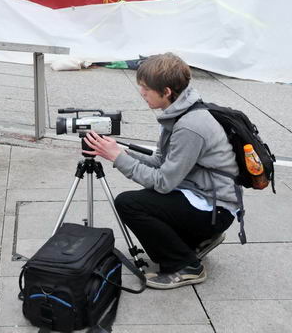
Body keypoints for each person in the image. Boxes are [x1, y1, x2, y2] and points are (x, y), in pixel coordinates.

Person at [83, 53, 237, 290]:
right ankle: (196, 240)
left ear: (166, 91)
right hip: (203, 197)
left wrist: (118, 159)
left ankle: (185, 266)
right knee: (145, 200)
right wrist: (119, 151)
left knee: (129, 203)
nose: (141, 93)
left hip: (215, 209)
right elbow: (160, 161)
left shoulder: (190, 126)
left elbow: (164, 182)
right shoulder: (180, 110)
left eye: (146, 88)